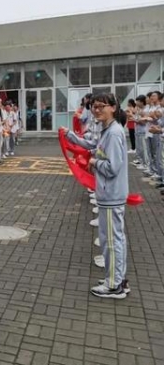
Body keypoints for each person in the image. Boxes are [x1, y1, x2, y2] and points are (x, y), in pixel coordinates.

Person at [64, 93, 129, 299]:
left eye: (101, 106)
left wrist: (93, 163)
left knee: (110, 241)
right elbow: (92, 146)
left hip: (111, 194)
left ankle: (114, 285)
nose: (96, 110)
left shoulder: (114, 133)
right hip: (108, 194)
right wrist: (70, 136)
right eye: (94, 106)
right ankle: (117, 279)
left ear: (113, 107)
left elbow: (113, 167)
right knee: (114, 239)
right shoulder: (107, 130)